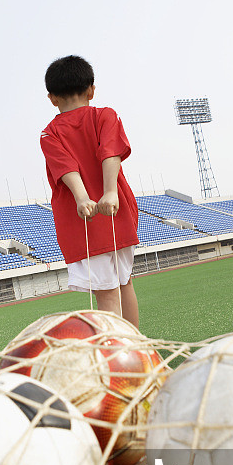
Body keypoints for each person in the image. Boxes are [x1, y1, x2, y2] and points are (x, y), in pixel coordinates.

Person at [40, 55, 140, 328]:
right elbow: (111, 151)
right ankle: (137, 346)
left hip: (86, 221)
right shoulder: (105, 115)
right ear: (91, 90)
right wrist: (110, 192)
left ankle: (118, 350)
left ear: (52, 98)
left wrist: (83, 198)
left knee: (107, 294)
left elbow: (66, 168)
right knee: (125, 282)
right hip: (116, 212)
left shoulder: (49, 134)